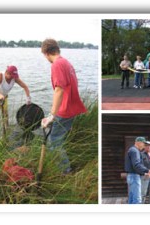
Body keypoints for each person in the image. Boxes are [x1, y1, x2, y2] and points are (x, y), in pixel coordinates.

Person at [40, 38, 87, 174]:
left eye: (44, 55)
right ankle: (62, 167)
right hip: (71, 107)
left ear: (46, 52)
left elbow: (59, 89)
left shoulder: (57, 64)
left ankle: (65, 171)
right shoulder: (66, 62)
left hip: (65, 109)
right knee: (57, 138)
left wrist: (52, 115)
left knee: (54, 140)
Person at [0, 65, 31, 134]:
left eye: (14, 76)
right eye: (12, 76)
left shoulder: (15, 78)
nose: (13, 78)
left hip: (4, 98)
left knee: (6, 115)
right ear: (7, 73)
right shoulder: (0, 75)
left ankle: (6, 128)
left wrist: (28, 98)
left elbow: (25, 86)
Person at [124, 137, 150, 204]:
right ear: (138, 143)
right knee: (137, 200)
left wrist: (144, 173)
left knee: (132, 198)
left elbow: (134, 166)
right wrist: (148, 171)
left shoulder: (133, 150)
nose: (144, 146)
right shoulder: (135, 151)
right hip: (134, 177)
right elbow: (136, 165)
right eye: (143, 143)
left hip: (133, 175)